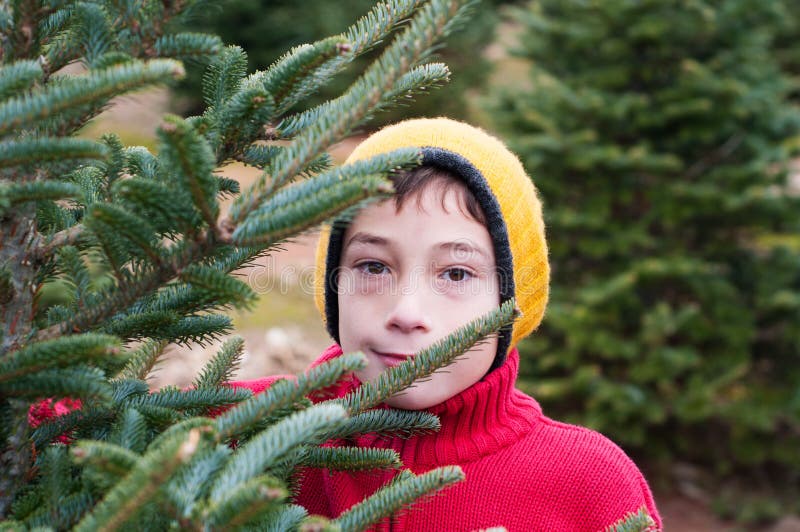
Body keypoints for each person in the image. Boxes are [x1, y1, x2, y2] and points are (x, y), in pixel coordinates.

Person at [232, 118, 662, 531]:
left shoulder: (590, 486)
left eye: (456, 273)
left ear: (513, 299)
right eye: (374, 266)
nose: (406, 311)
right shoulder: (228, 432)